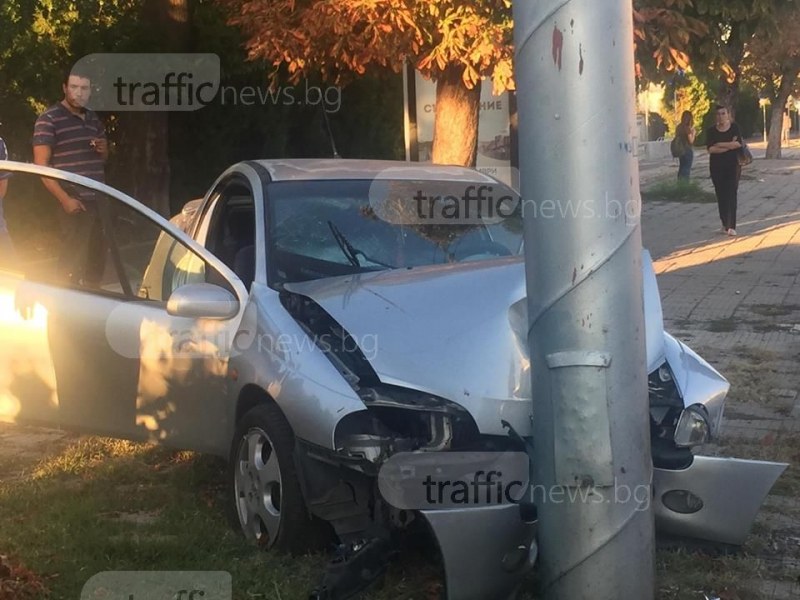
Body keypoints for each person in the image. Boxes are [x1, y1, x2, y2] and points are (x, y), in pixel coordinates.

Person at [32, 66, 109, 285]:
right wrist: (65, 199)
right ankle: (62, 308)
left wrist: (104, 150)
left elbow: (102, 161)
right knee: (71, 263)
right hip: (73, 198)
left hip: (99, 199)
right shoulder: (49, 119)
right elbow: (41, 166)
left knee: (97, 258)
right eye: (74, 87)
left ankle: (94, 307)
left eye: (84, 88)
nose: (79, 93)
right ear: (64, 88)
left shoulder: (93, 118)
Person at [706, 105, 743, 237]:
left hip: (733, 166)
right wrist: (729, 145)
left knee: (732, 193)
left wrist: (720, 144)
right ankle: (724, 223)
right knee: (721, 195)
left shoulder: (734, 128)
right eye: (718, 114)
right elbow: (711, 149)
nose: (721, 116)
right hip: (716, 167)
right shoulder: (711, 131)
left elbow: (738, 144)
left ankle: (732, 226)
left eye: (723, 114)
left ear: (728, 115)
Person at [675, 110, 696, 180]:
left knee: (681, 168)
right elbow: (691, 141)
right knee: (686, 169)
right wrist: (693, 133)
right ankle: (685, 185)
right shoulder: (687, 128)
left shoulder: (678, 127)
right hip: (687, 150)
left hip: (680, 150)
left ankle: (680, 184)